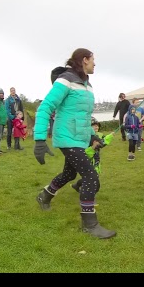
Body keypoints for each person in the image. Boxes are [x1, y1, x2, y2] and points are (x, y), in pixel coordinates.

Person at [34, 48, 116, 239]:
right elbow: (45, 107)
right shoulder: (66, 80)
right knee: (91, 176)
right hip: (66, 138)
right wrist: (39, 139)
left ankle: (44, 196)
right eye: (93, 60)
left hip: (79, 138)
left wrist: (93, 137)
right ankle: (89, 224)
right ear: (85, 60)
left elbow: (83, 117)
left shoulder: (87, 85)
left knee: (70, 174)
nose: (95, 63)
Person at [72, 117, 114, 194]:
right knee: (94, 183)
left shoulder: (98, 135)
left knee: (90, 179)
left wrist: (110, 136)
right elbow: (84, 153)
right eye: (94, 125)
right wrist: (92, 148)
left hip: (96, 162)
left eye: (97, 125)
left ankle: (77, 185)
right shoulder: (85, 138)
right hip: (88, 162)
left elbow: (102, 143)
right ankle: (89, 199)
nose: (96, 127)